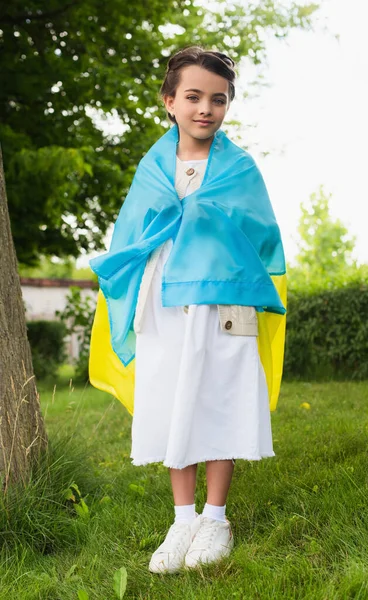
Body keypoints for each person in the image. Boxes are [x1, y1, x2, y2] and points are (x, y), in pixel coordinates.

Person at [89, 46, 287, 574]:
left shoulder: (238, 168)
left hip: (223, 296)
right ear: (169, 101)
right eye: (194, 96)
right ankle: (182, 519)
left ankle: (216, 518)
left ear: (227, 107)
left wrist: (208, 220)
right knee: (175, 395)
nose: (206, 108)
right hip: (164, 297)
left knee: (220, 393)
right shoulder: (153, 167)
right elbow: (132, 232)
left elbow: (263, 236)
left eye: (217, 99)